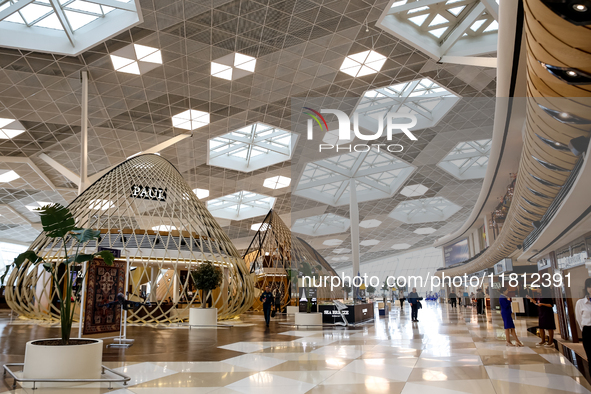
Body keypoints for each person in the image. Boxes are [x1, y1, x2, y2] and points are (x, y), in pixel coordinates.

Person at [575, 278, 591, 360]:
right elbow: (579, 319)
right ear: (586, 288)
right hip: (588, 331)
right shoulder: (580, 302)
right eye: (589, 287)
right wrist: (584, 330)